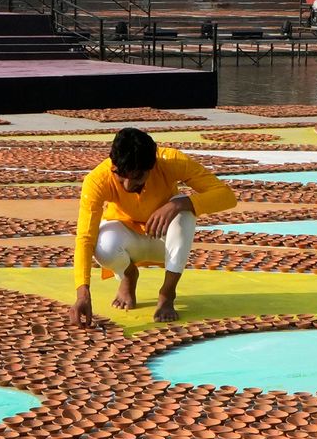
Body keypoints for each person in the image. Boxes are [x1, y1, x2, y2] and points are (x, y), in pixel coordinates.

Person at [71, 125, 232, 324]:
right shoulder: (97, 180)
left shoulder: (171, 161)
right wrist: (82, 293)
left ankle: (167, 293)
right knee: (103, 244)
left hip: (164, 238)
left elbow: (226, 196)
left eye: (138, 176)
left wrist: (179, 203)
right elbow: (85, 237)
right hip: (127, 239)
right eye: (122, 177)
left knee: (186, 215)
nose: (129, 186)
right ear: (113, 164)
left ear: (152, 166)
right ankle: (128, 275)